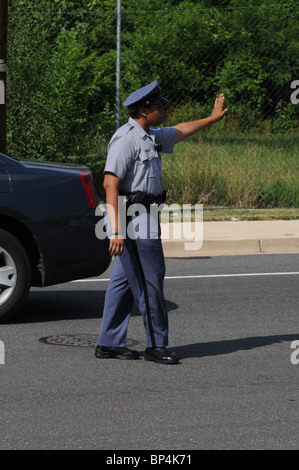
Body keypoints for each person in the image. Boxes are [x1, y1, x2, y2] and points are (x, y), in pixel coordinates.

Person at [95, 80, 228, 364]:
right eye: (159, 107)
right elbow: (110, 184)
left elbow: (181, 130)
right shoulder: (126, 138)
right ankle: (156, 346)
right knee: (150, 281)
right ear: (144, 110)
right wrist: (116, 231)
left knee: (123, 282)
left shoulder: (150, 135)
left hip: (143, 217)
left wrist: (212, 119)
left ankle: (109, 343)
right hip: (133, 220)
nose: (164, 110)